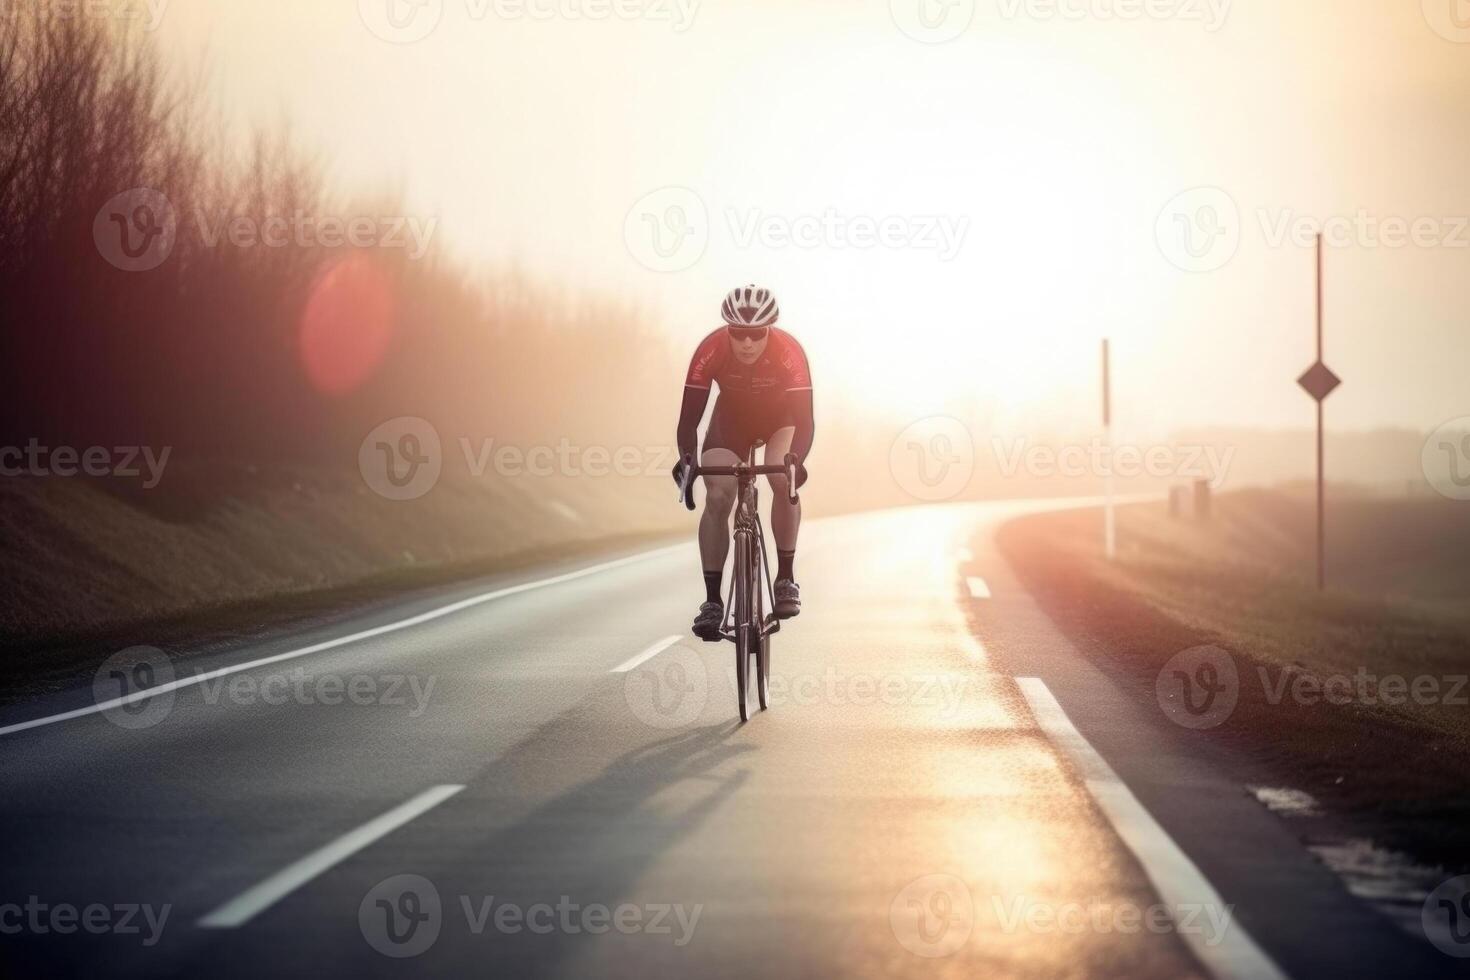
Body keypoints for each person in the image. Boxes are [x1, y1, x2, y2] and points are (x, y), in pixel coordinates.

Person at [672, 285, 814, 641]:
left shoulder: (790, 352)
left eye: (756, 334)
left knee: (783, 479)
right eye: (738, 334)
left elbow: (806, 420)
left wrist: (796, 463)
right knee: (718, 496)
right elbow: (689, 420)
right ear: (727, 331)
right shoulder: (711, 349)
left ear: (770, 330)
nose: (747, 343)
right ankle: (712, 603)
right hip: (730, 421)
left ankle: (784, 579)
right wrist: (688, 462)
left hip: (779, 419)